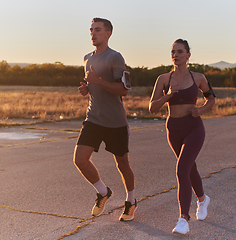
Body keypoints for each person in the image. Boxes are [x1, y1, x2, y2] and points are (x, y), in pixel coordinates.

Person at [149, 39, 216, 234]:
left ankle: (183, 219)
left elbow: (211, 98)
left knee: (181, 169)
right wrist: (168, 96)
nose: (175, 55)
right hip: (173, 129)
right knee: (189, 167)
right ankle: (203, 200)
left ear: (188, 55)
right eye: (173, 52)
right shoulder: (163, 79)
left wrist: (202, 109)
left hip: (194, 127)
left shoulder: (198, 78)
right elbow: (152, 107)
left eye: (179, 52)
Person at [73, 17, 137, 222]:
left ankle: (131, 200)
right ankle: (103, 192)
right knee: (80, 159)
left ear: (108, 33)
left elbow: (124, 90)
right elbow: (92, 85)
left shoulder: (115, 58)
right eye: (91, 30)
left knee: (122, 164)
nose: (93, 33)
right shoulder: (86, 58)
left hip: (115, 121)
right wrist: (86, 88)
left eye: (97, 30)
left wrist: (98, 81)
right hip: (93, 118)